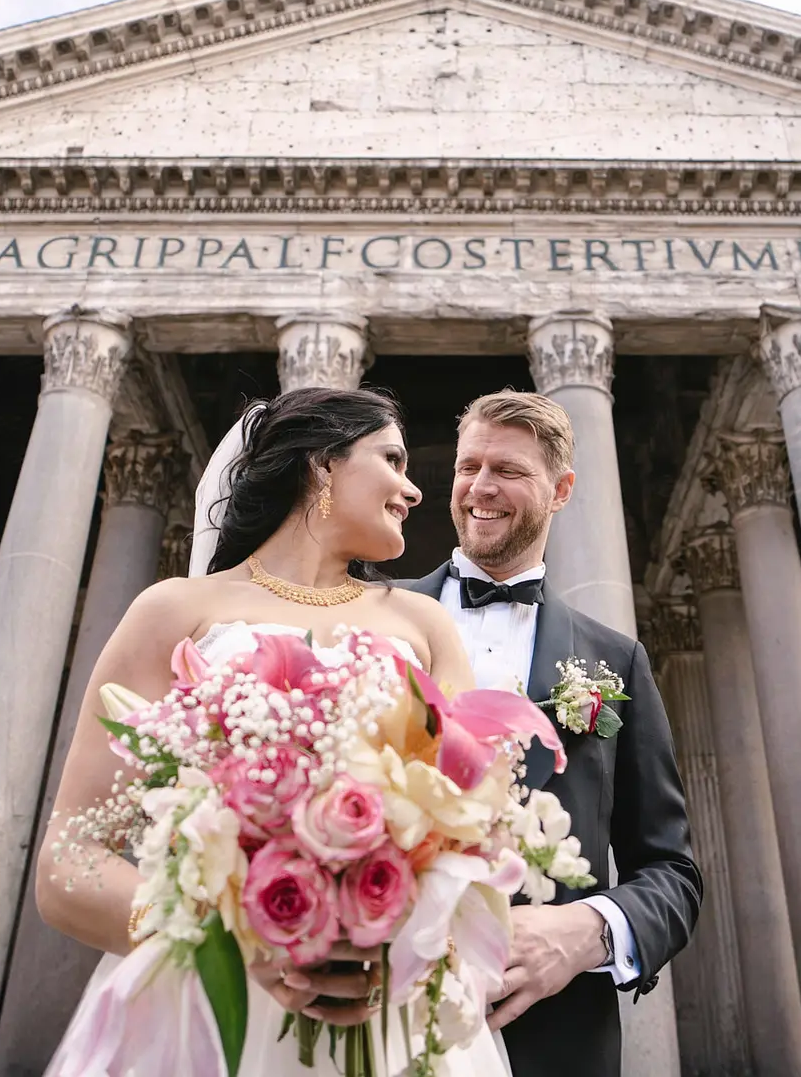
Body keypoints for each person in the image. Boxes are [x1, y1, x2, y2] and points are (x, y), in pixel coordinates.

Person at [36, 386, 510, 1076]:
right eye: (391, 458)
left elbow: (478, 820)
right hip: (204, 1020)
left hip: (391, 1014)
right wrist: (235, 940)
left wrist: (393, 926)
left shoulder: (425, 624)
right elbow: (67, 865)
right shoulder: (173, 609)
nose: (413, 490)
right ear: (322, 462)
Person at [400, 390, 700, 1077]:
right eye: (468, 465)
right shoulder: (373, 619)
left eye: (508, 470)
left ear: (561, 489)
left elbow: (673, 873)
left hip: (552, 1041)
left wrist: (589, 930)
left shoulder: (615, 659)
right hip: (376, 1021)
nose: (481, 486)